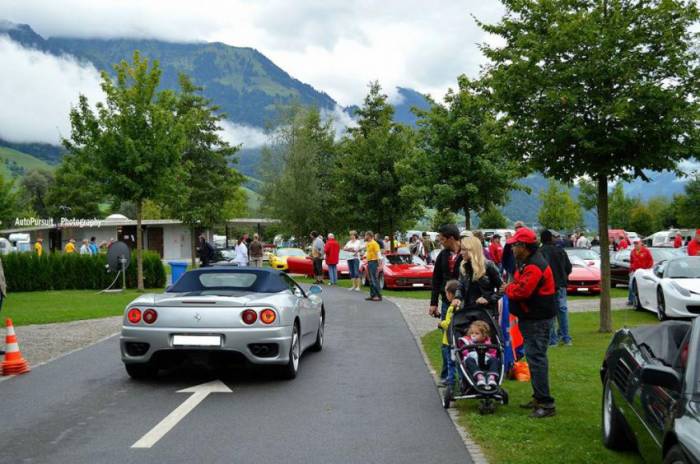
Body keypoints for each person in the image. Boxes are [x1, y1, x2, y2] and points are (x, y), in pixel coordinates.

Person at [501, 227, 557, 418]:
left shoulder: (533, 266)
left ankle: (546, 403)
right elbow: (518, 282)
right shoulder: (528, 262)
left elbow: (522, 291)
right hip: (532, 317)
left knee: (537, 358)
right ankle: (538, 397)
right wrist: (512, 286)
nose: (512, 248)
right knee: (534, 358)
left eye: (515, 245)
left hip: (537, 319)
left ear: (523, 246)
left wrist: (508, 289)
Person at [429, 224, 463, 385]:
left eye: (442, 239)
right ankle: (447, 375)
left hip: (463, 303)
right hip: (445, 301)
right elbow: (436, 279)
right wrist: (433, 302)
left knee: (462, 339)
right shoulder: (442, 255)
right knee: (446, 339)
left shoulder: (465, 254)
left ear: (451, 238)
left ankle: (463, 375)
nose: (440, 242)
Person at [451, 236, 502, 318]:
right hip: (467, 312)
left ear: (472, 250)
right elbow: (460, 286)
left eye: (464, 249)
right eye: (461, 249)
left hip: (486, 313)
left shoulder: (489, 265)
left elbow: (503, 287)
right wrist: (457, 298)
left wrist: (488, 299)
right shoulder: (463, 266)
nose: (461, 252)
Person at [540, 230, 573, 346]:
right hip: (561, 285)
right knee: (562, 310)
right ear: (551, 238)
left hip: (549, 286)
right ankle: (566, 337)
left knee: (551, 313)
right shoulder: (560, 250)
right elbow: (569, 267)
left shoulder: (541, 252)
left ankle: (552, 339)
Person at [458, 321, 501, 389]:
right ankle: (479, 376)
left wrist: (490, 353)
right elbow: (464, 351)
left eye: (477, 333)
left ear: (484, 335)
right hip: (472, 360)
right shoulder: (467, 341)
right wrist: (470, 348)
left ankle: (492, 377)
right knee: (469, 360)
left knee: (494, 360)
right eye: (472, 333)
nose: (473, 335)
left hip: (485, 360)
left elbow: (493, 352)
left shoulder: (488, 343)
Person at [438, 280, 460, 389]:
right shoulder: (457, 307)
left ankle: (451, 381)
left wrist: (441, 323)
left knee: (450, 362)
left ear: (450, 294)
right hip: (453, 339)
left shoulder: (452, 308)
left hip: (448, 340)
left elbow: (449, 324)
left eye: (446, 293)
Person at [628, 239, 654, 305]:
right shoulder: (633, 251)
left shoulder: (646, 251)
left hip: (643, 271)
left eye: (637, 243)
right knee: (631, 285)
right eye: (635, 244)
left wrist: (647, 269)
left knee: (643, 286)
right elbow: (631, 261)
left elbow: (650, 260)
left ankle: (644, 300)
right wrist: (631, 268)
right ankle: (631, 300)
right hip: (634, 271)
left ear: (641, 243)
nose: (635, 245)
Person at [364, 231, 382, 301]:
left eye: (366, 235)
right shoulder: (368, 243)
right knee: (371, 280)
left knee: (374, 279)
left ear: (369, 236)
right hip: (369, 262)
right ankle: (372, 295)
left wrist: (380, 264)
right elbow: (368, 253)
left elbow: (378, 254)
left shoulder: (375, 243)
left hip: (374, 262)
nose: (365, 237)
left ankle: (378, 295)